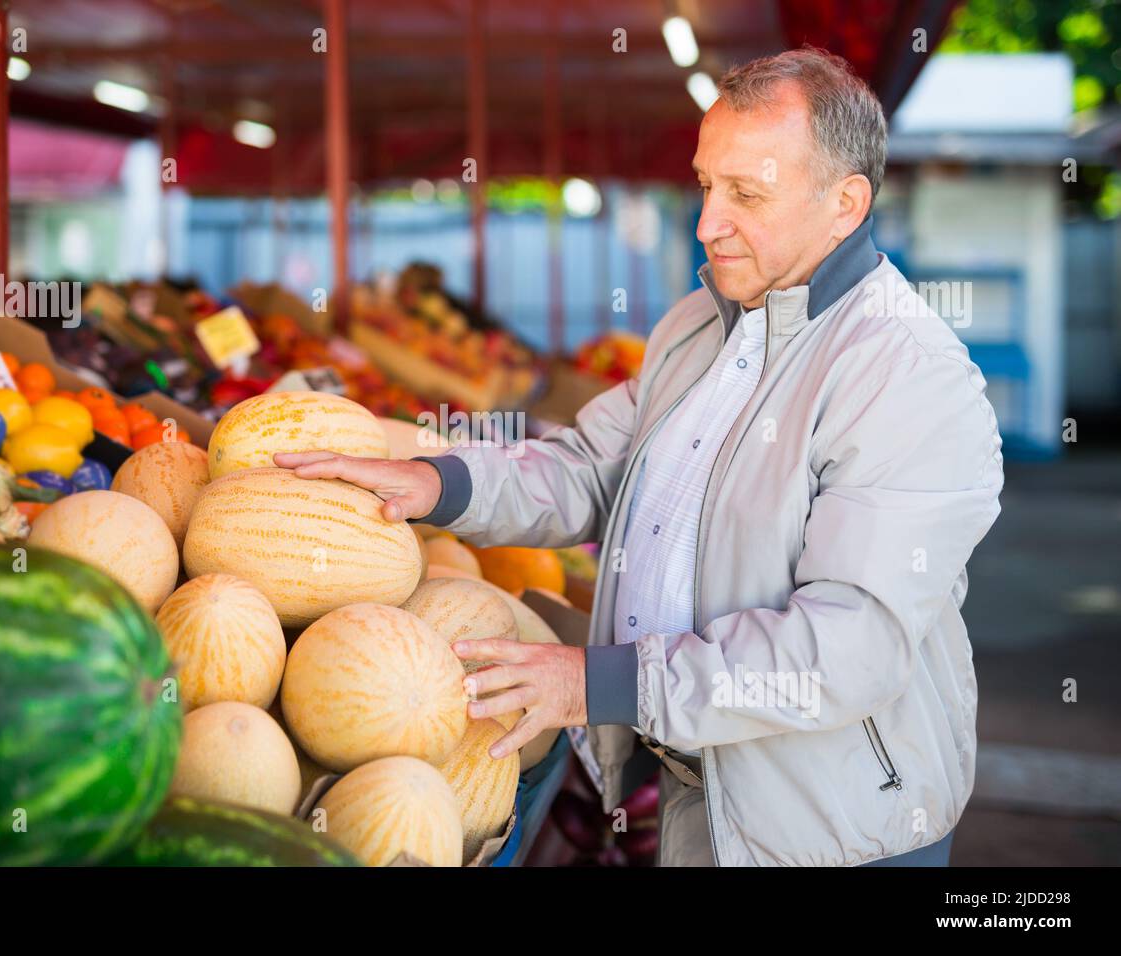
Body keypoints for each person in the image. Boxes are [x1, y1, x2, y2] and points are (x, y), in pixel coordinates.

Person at [275, 48, 1003, 867]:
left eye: (747, 194)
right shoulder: (700, 321)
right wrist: (437, 481)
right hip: (704, 798)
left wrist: (599, 684)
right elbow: (590, 467)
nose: (706, 224)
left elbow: (845, 649)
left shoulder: (908, 375)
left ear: (846, 204)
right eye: (705, 184)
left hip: (833, 829)